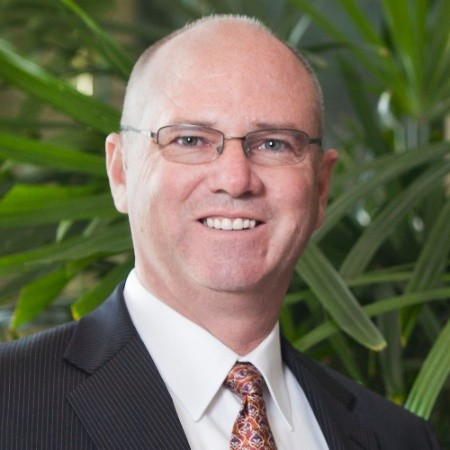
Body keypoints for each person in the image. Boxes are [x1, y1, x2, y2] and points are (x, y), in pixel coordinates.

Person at [0, 14, 441, 450]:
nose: (235, 179)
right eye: (190, 140)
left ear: (321, 187)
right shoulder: (10, 403)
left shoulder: (401, 439)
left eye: (273, 144)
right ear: (121, 172)